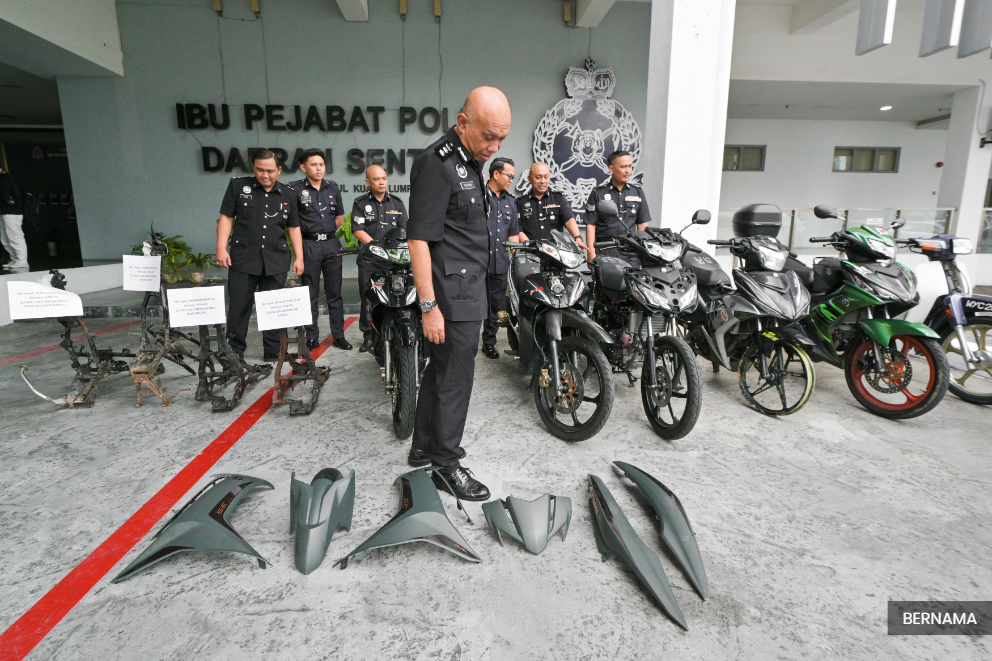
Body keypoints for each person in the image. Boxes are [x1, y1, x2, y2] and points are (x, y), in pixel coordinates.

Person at [405, 86, 511, 501]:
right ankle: (446, 466)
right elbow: (419, 240)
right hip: (451, 295)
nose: (495, 146)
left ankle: (423, 446)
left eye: (501, 138)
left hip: (467, 288)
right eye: (489, 136)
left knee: (438, 372)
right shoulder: (437, 163)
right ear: (463, 122)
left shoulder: (470, 159)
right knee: (455, 380)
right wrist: (429, 306)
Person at [216, 149, 304, 361]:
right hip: (244, 258)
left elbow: (293, 227)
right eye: (260, 170)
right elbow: (226, 217)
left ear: (279, 170)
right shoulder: (238, 186)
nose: (265, 175)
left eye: (270, 171)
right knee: (238, 306)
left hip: (275, 259)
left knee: (272, 307)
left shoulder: (289, 194)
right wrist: (220, 248)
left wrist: (299, 257)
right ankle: (235, 351)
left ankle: (273, 351)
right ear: (253, 168)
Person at [288, 149, 352, 352]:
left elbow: (339, 218)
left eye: (321, 164)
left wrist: (326, 233)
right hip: (310, 246)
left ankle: (339, 336)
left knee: (335, 294)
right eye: (314, 164)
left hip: (331, 245)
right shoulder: (295, 189)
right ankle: (312, 336)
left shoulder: (332, 187)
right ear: (303, 167)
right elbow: (293, 223)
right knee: (311, 294)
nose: (319, 168)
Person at [351, 164, 409, 353]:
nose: (381, 182)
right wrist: (376, 247)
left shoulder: (397, 203)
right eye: (376, 179)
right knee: (368, 299)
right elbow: (358, 230)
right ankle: (368, 337)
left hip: (393, 262)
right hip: (370, 260)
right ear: (368, 182)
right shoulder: (360, 203)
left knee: (395, 296)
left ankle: (391, 331)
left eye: (383, 178)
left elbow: (404, 230)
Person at [482, 157, 524, 360]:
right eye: (509, 176)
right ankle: (465, 344)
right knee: (472, 305)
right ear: (496, 174)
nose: (511, 180)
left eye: (514, 177)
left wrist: (514, 264)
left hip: (499, 264)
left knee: (494, 307)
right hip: (477, 263)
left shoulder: (511, 202)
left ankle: (488, 343)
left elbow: (513, 235)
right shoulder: (479, 196)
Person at [585, 151, 651, 267]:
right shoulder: (598, 193)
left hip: (630, 251)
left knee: (633, 284)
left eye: (630, 166)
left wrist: (644, 254)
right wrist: (591, 253)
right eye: (623, 167)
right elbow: (591, 225)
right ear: (611, 169)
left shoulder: (637, 192)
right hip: (605, 249)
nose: (628, 171)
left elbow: (642, 226)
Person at [515, 162, 585, 249]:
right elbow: (518, 229)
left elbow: (569, 219)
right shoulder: (520, 202)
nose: (543, 181)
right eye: (538, 177)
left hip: (557, 253)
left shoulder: (558, 198)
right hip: (531, 253)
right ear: (529, 179)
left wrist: (577, 237)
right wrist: (531, 247)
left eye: (546, 177)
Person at [0, 166, 28, 270]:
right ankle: (15, 259)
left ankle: (22, 260)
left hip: (12, 212)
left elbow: (4, 195)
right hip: (4, 212)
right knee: (5, 238)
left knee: (15, 236)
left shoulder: (5, 178)